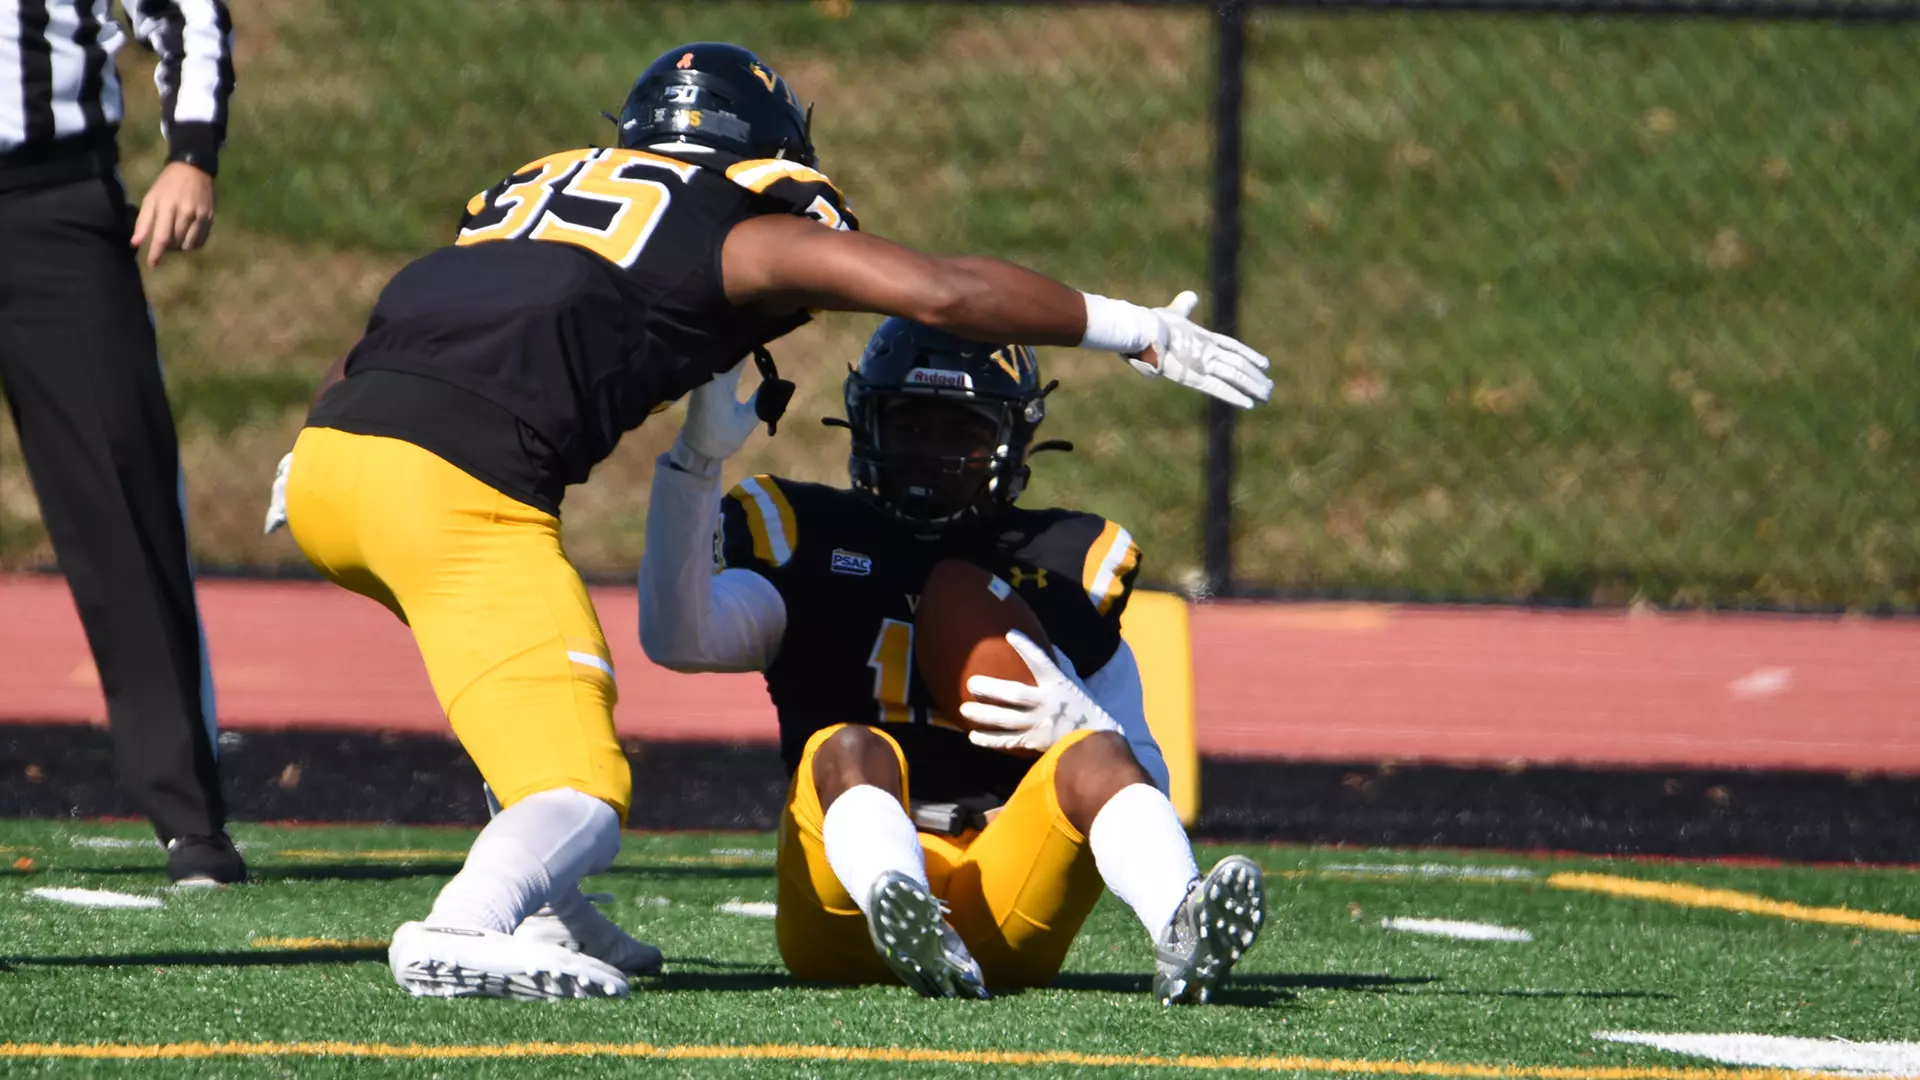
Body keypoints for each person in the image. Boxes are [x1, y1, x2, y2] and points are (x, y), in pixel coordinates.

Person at [264, 41, 1270, 1001]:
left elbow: (421, 321)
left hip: (332, 457)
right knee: (579, 781)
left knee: (505, 690)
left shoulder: (536, 198)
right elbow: (945, 290)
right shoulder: (735, 223)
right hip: (453, 486)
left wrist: (319, 446)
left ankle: (551, 911)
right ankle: (469, 923)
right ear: (766, 154)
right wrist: (1134, 329)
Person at [640, 319, 1265, 1004]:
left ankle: (1183, 924)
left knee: (1097, 753)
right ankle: (901, 901)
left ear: (1011, 440)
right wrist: (694, 466)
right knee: (848, 745)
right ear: (868, 424)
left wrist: (1083, 719)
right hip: (843, 903)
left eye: (959, 433)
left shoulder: (1066, 563)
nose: (931, 454)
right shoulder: (806, 533)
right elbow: (679, 639)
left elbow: (1148, 784)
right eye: (911, 426)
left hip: (1002, 888)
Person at [0, 0, 243, 884]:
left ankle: (190, 819)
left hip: (50, 206)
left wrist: (191, 154)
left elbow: (190, 16)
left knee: (122, 504)